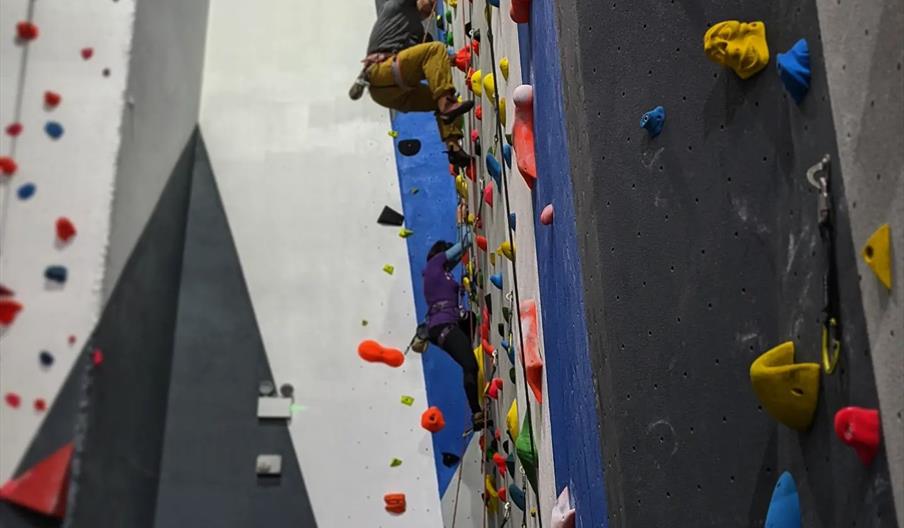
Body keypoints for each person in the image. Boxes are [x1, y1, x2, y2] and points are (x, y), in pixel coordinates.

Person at [357, 0, 474, 168]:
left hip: (384, 92)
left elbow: (431, 67)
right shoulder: (400, 5)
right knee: (435, 50)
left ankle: (453, 148)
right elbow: (432, 55)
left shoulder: (416, 33)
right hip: (381, 70)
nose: (432, 7)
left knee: (437, 100)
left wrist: (454, 60)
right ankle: (447, 105)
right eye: (430, 1)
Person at [422, 233, 486, 430]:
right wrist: (469, 235)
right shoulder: (434, 263)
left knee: (470, 318)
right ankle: (476, 412)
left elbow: (457, 256)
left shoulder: (441, 272)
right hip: (443, 326)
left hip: (446, 325)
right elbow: (460, 247)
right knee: (470, 365)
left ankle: (468, 353)